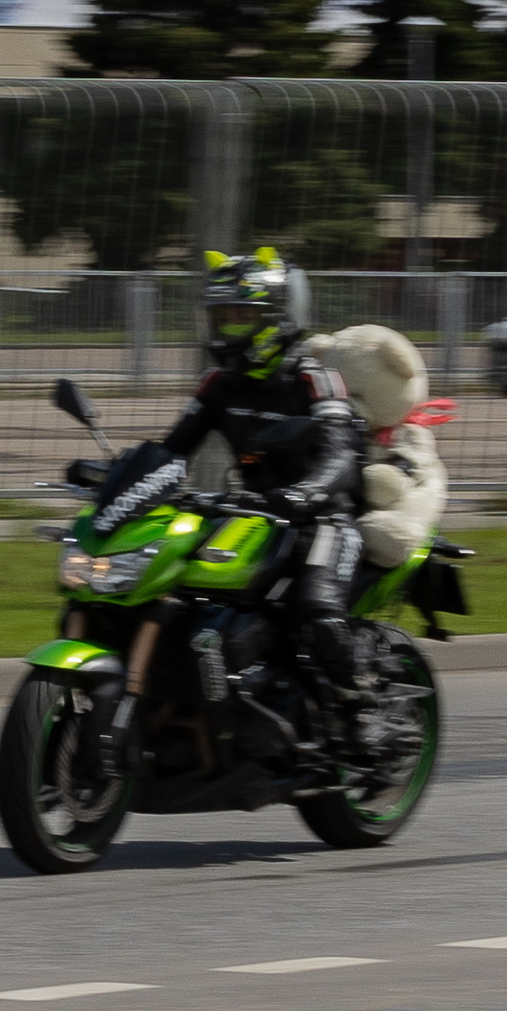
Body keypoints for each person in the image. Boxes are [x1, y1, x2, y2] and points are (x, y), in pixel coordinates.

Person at [153, 248, 372, 748]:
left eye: (241, 316)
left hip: (322, 519)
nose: (227, 328)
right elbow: (172, 450)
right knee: (179, 592)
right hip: (251, 515)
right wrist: (122, 475)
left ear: (278, 318)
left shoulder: (314, 381)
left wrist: (305, 492)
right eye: (222, 317)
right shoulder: (218, 385)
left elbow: (342, 459)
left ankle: (359, 705)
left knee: (315, 611)